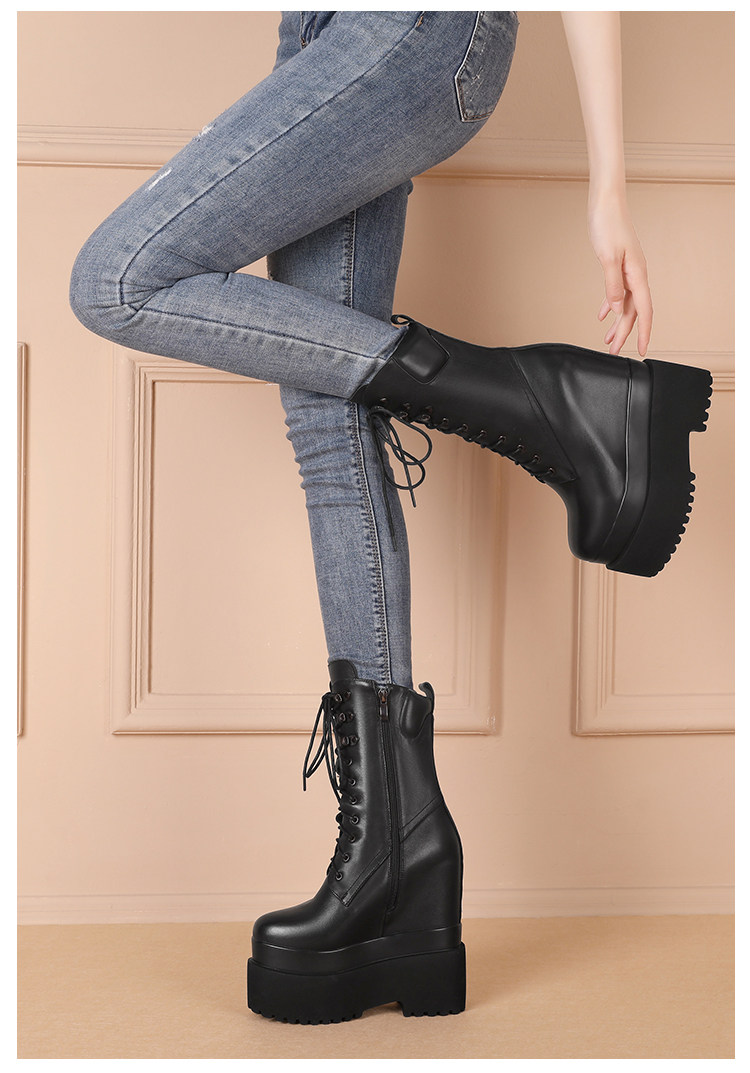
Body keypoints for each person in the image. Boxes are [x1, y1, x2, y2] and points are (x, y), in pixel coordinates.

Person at [68, 10, 712, 1024]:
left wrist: (610, 187)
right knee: (329, 419)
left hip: (415, 28)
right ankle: (395, 862)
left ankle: (541, 401)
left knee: (117, 277)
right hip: (326, 35)